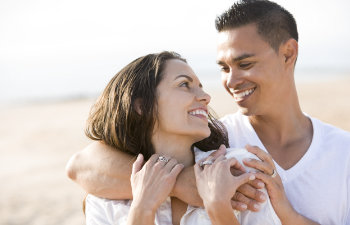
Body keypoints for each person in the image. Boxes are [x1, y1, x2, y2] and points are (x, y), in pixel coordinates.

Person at [67, 1, 350, 225]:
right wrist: (181, 183)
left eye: (245, 63)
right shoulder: (218, 141)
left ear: (288, 54)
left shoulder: (344, 153)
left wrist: (287, 216)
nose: (230, 81)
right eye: (224, 69)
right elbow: (80, 165)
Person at [82, 51, 279, 225]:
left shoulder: (238, 168)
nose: (205, 96)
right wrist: (143, 208)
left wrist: (218, 207)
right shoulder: (104, 201)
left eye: (200, 86)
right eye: (184, 84)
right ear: (141, 106)